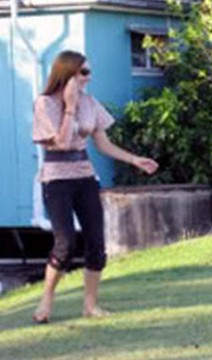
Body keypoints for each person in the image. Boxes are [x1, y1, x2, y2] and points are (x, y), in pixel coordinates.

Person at [31, 50, 159, 323]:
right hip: (56, 179)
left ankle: (90, 306)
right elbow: (62, 143)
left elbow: (102, 144)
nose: (89, 78)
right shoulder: (45, 104)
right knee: (65, 244)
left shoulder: (90, 103)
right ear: (67, 74)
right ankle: (45, 302)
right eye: (84, 73)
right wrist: (69, 105)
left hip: (85, 177)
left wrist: (135, 159)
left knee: (96, 245)